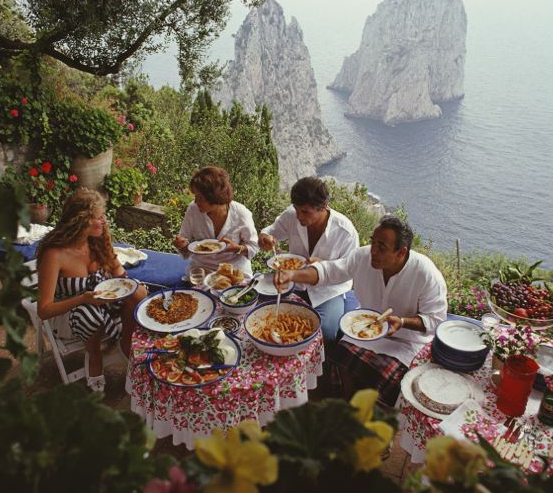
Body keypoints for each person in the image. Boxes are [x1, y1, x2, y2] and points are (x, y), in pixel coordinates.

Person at [276, 215, 447, 405]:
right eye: (373, 242)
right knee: (339, 354)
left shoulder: (425, 274)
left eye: (382, 247)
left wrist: (403, 322)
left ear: (401, 252)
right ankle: (349, 400)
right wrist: (292, 275)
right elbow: (329, 271)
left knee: (391, 379)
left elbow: (436, 319)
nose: (373, 251)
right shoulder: (362, 256)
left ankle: (380, 411)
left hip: (405, 343)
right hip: (364, 329)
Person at [36, 188, 147, 392]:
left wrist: (131, 287)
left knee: (139, 293)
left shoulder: (97, 241)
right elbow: (43, 310)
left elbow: (120, 274)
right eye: (99, 217)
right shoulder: (55, 254)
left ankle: (127, 344)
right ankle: (95, 359)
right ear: (81, 220)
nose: (104, 221)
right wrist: (82, 299)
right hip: (67, 312)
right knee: (91, 314)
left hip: (99, 302)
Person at [258, 176, 359, 342]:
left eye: (305, 212)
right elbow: (271, 231)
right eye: (296, 209)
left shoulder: (345, 232)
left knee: (325, 331)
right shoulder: (292, 215)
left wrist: (323, 268)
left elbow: (348, 270)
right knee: (268, 318)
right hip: (293, 284)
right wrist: (265, 237)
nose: (298, 216)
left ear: (324, 207)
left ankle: (319, 364)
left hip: (328, 290)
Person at [173, 166, 258, 276]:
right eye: (195, 196)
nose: (195, 202)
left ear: (215, 197)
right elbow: (186, 245)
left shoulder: (241, 214)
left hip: (234, 271)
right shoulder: (193, 210)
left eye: (201, 198)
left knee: (232, 292)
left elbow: (254, 247)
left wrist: (236, 248)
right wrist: (182, 245)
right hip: (202, 270)